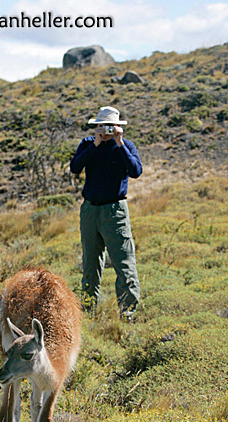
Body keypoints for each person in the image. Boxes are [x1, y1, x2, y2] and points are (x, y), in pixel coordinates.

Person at [70, 106, 142, 320]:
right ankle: (89, 311)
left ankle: (127, 314)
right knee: (90, 264)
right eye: (103, 126)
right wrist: (96, 144)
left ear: (119, 127)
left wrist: (119, 144)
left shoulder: (126, 146)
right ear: (97, 126)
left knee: (123, 263)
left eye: (111, 127)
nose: (107, 130)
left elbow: (136, 171)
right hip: (90, 210)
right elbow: (75, 167)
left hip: (115, 211)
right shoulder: (88, 145)